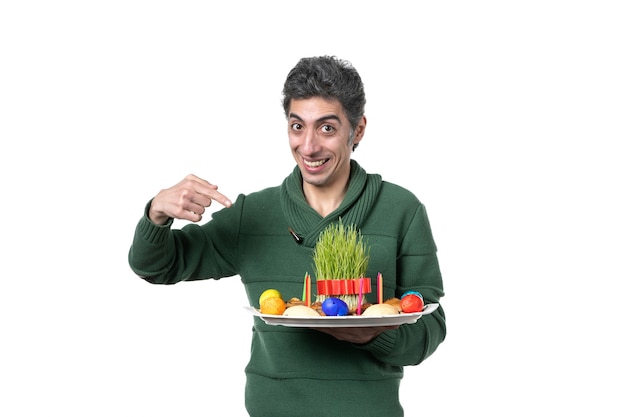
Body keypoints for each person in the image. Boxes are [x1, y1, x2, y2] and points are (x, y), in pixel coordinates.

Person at [128, 55, 446, 417]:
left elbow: (430, 326)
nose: (308, 146)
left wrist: (374, 334)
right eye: (298, 126)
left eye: (326, 128)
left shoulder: (401, 209)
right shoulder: (254, 213)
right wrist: (156, 213)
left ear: (357, 131)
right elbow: (156, 267)